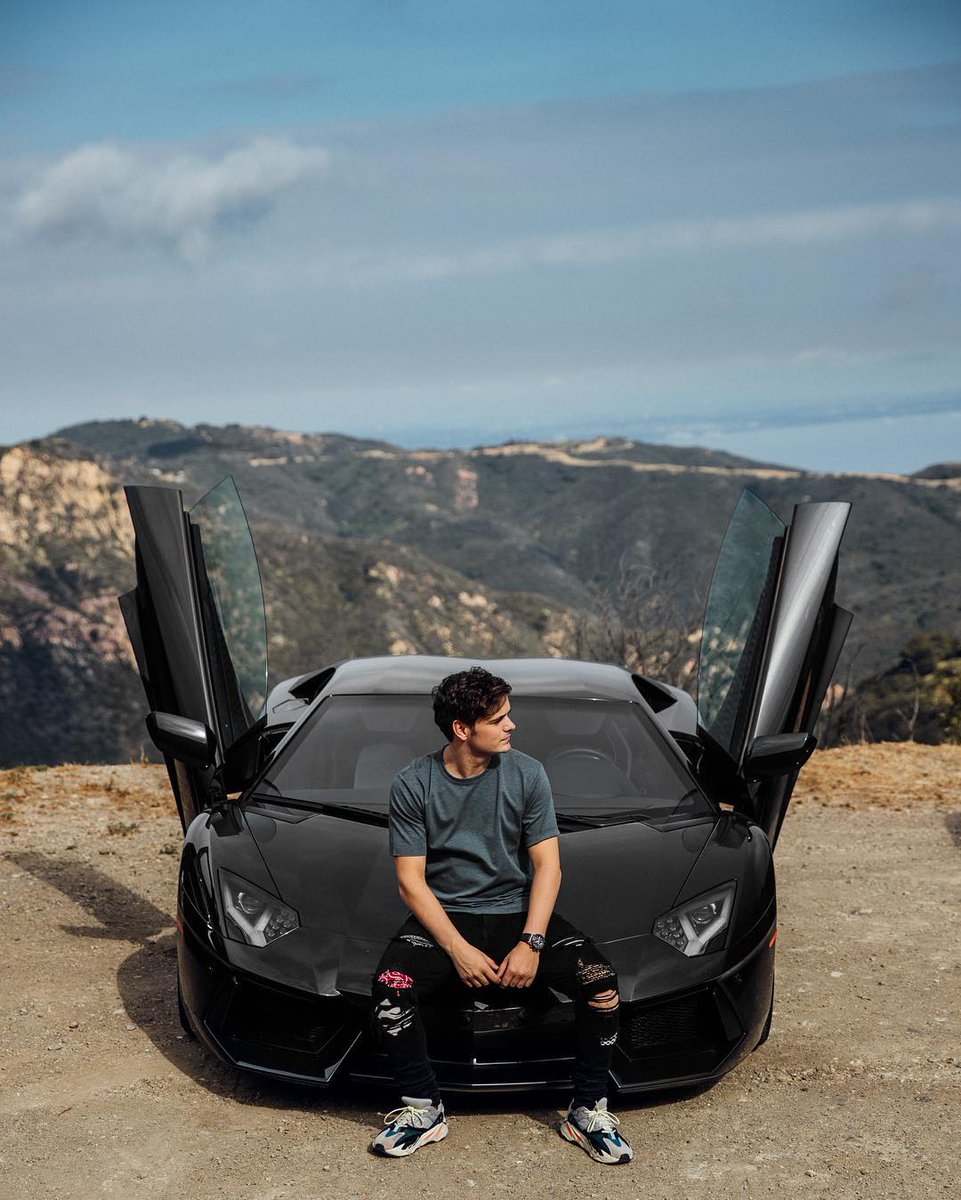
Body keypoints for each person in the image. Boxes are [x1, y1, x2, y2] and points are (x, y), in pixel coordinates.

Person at [369, 666, 633, 1164]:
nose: (512, 725)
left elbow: (548, 867)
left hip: (516, 912)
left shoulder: (528, 774)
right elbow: (411, 882)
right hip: (449, 917)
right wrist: (458, 950)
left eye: (509, 714)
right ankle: (423, 1110)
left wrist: (531, 943)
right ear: (462, 728)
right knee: (390, 986)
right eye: (499, 719)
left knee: (601, 983)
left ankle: (587, 1111)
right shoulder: (412, 782)